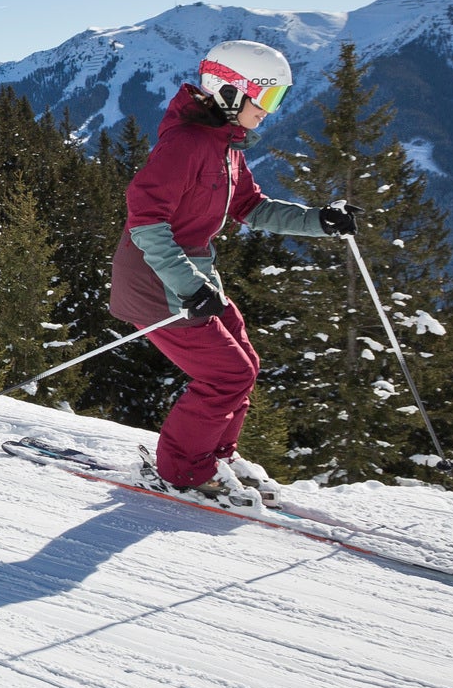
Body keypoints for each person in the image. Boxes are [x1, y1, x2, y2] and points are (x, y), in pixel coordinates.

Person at [108, 40, 358, 504]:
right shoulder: (185, 144)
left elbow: (250, 206)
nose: (271, 111)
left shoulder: (224, 146)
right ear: (229, 93)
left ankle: (217, 454)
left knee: (245, 362)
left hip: (193, 276)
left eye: (277, 99)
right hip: (157, 282)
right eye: (267, 98)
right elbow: (145, 219)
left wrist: (320, 221)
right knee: (227, 373)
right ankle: (182, 472)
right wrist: (187, 285)